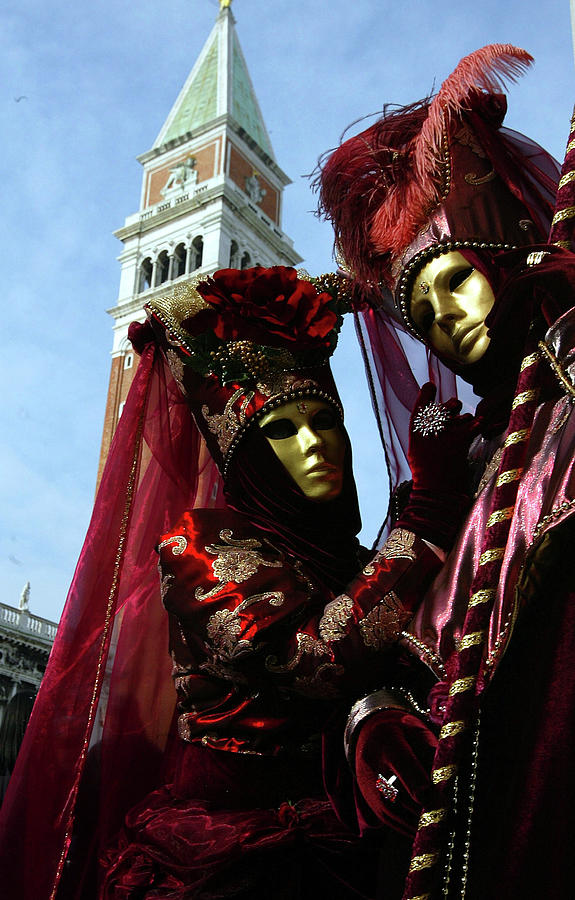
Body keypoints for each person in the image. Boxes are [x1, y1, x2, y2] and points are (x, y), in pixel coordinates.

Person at [0, 265, 476, 899]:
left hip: (357, 847)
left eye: (325, 422)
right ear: (245, 454)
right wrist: (429, 515)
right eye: (282, 430)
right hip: (234, 863)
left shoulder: (353, 558)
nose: (316, 445)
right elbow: (317, 658)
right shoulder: (202, 549)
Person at [317, 43, 575, 898]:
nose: (443, 323)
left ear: (502, 254)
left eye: (453, 283)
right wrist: (372, 722)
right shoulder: (464, 455)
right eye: (419, 312)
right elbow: (396, 650)